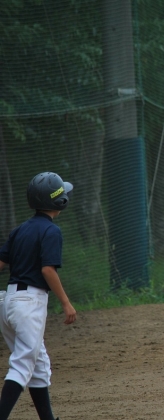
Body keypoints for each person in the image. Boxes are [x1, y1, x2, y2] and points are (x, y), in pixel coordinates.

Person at [0, 172, 77, 420]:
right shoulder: (51, 231)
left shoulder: (20, 229)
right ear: (59, 201)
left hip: (8, 302)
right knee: (23, 364)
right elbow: (47, 270)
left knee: (39, 364)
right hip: (28, 305)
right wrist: (66, 303)